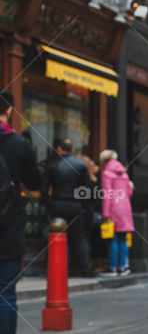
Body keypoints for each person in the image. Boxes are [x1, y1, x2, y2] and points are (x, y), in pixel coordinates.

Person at [0, 90, 42, 333]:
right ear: (9, 111)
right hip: (9, 224)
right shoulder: (19, 144)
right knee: (6, 292)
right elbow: (35, 182)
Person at [42, 137, 93, 277]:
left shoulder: (52, 165)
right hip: (75, 205)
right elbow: (86, 189)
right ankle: (86, 270)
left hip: (57, 203)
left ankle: (63, 269)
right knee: (78, 238)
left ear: (59, 148)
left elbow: (44, 189)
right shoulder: (81, 165)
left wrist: (49, 205)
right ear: (71, 149)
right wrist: (83, 205)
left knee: (58, 236)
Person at [99, 150, 134, 276]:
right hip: (125, 207)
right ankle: (123, 267)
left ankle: (112, 268)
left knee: (112, 238)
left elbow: (107, 195)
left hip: (114, 207)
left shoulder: (106, 174)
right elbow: (129, 192)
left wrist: (105, 213)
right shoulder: (124, 174)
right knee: (123, 238)